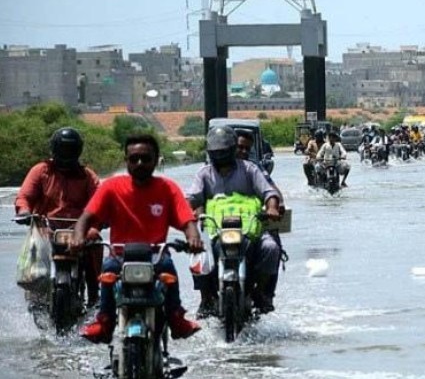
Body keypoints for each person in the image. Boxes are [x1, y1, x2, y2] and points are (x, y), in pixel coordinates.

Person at [73, 134, 203, 344]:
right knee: (107, 270)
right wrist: (78, 237)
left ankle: (176, 318)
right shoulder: (111, 187)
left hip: (156, 256)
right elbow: (86, 217)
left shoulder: (168, 188)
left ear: (156, 159)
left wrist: (194, 238)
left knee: (169, 267)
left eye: (145, 158)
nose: (139, 163)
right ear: (126, 161)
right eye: (134, 159)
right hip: (119, 255)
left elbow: (187, 221)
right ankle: (105, 321)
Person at [188, 126, 284, 317]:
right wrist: (183, 210)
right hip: (216, 229)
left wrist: (272, 207)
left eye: (224, 152)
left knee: (271, 248)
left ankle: (259, 291)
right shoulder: (204, 174)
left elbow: (269, 192)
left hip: (250, 228)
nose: (220, 156)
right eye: (216, 153)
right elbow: (192, 197)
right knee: (198, 254)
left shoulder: (250, 169)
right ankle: (206, 297)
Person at [14, 127, 103, 307]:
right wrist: (24, 212)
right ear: (54, 149)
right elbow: (24, 196)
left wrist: (103, 218)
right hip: (46, 228)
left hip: (80, 230)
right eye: (63, 149)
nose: (66, 153)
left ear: (78, 150)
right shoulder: (41, 170)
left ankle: (94, 291)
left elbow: (100, 201)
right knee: (34, 249)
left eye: (70, 149)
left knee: (95, 238)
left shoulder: (87, 175)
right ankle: (36, 294)